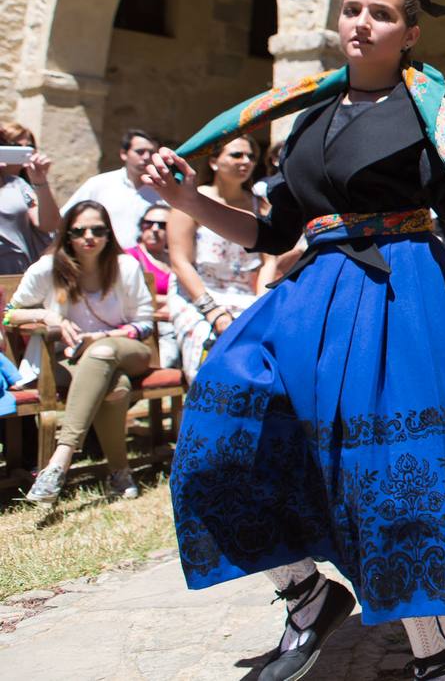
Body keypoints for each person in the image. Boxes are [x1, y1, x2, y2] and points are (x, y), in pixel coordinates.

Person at [144, 0, 445, 681]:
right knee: (217, 433)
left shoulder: (439, 114)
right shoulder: (308, 119)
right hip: (314, 290)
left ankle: (433, 657)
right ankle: (308, 594)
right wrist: (185, 198)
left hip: (401, 291)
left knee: (390, 476)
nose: (361, 23)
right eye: (351, 10)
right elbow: (271, 231)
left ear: (409, 33)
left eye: (380, 14)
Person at [6, 200, 155, 504]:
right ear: (67, 235)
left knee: (101, 351)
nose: (89, 237)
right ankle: (120, 474)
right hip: (67, 358)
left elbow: (145, 322)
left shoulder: (125, 266)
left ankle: (59, 461)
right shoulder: (47, 269)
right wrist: (49, 317)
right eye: (79, 230)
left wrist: (103, 336)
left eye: (98, 230)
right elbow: (10, 315)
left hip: (127, 351)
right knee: (116, 388)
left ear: (108, 234)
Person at [167, 134, 276, 371]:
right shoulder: (191, 201)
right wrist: (213, 311)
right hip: (198, 296)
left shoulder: (261, 205)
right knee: (209, 346)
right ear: (214, 161)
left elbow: (269, 261)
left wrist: (259, 305)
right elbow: (180, 262)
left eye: (251, 156)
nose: (246, 161)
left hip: (248, 296)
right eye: (236, 154)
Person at [62, 129, 165, 248]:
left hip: (147, 263)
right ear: (124, 154)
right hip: (104, 261)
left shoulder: (164, 191)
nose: (146, 157)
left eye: (152, 153)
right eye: (140, 152)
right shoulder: (99, 184)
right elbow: (65, 219)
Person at [0, 122, 61, 273]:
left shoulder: (17, 185)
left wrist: (40, 181)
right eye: (14, 146)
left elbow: (49, 225)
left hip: (15, 276)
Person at [125, 204, 179, 367]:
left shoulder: (176, 258)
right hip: (152, 327)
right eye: (149, 223)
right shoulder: (130, 257)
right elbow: (131, 296)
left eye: (163, 225)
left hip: (178, 321)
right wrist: (172, 301)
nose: (155, 229)